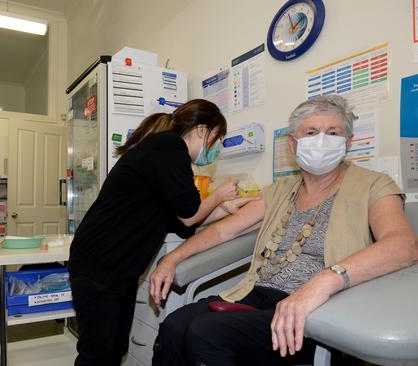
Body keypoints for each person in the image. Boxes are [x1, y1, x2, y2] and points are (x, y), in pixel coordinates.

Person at [149, 95, 418, 366]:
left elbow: (404, 245)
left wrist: (326, 281)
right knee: (175, 325)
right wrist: (172, 258)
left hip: (318, 309)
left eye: (333, 132)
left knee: (206, 333)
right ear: (293, 143)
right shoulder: (279, 191)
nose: (322, 139)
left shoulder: (374, 185)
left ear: (348, 142)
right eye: (311, 132)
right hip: (257, 294)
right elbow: (223, 232)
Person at [68, 99, 258, 366]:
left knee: (114, 348)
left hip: (116, 268)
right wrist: (218, 196)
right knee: (97, 354)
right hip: (99, 264)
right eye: (218, 138)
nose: (217, 149)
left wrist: (227, 208)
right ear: (203, 130)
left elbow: (183, 222)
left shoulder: (165, 152)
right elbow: (191, 212)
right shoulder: (169, 147)